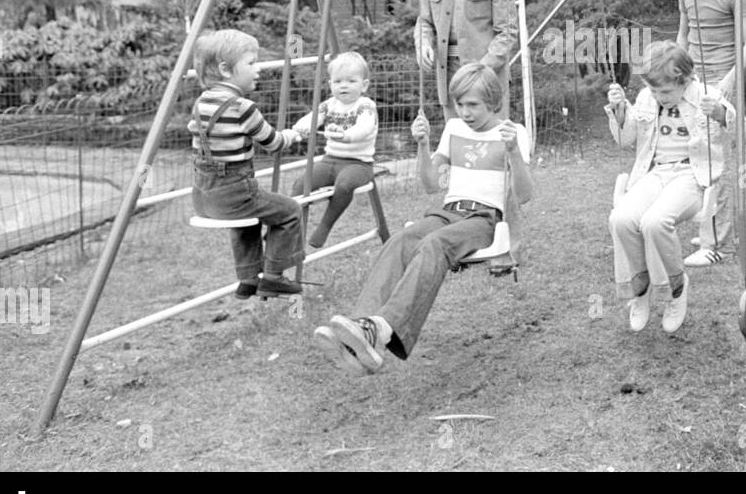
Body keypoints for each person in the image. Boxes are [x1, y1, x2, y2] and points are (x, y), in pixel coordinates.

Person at [312, 63, 533, 375]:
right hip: (448, 210)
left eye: (473, 105)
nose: (465, 112)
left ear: (493, 103)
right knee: (399, 241)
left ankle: (382, 328)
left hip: (483, 218)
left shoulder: (512, 133)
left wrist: (511, 151)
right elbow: (431, 184)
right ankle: (359, 332)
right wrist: (423, 145)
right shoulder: (454, 129)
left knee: (434, 244)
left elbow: (524, 194)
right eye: (460, 104)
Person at [606, 41, 735, 334]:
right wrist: (619, 110)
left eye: (664, 92)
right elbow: (625, 141)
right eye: (653, 91)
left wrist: (720, 114)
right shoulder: (646, 97)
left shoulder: (708, 96)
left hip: (692, 174)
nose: (658, 97)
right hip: (655, 173)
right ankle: (641, 288)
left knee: (655, 222)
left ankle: (675, 289)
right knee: (621, 219)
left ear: (686, 80)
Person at [189, 29, 303, 299]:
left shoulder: (200, 103)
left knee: (247, 222)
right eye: (251, 63)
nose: (258, 69)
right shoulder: (243, 107)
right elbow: (273, 143)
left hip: (204, 196)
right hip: (234, 192)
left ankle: (249, 279)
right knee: (290, 211)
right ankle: (274, 276)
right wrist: (294, 135)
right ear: (226, 70)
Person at [675, 0, 746, 267]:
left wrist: (728, 82)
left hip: (724, 82)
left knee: (717, 165)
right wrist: (679, 70)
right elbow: (684, 34)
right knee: (696, 156)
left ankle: (715, 243)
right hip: (694, 81)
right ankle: (710, 224)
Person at [292, 51, 378, 248]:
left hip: (359, 163)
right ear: (330, 84)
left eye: (351, 81)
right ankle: (288, 229)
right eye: (338, 81)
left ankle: (325, 226)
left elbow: (364, 128)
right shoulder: (328, 105)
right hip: (330, 160)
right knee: (301, 184)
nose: (344, 85)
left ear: (363, 85)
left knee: (345, 184)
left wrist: (346, 135)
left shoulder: (365, 106)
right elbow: (313, 118)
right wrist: (301, 128)